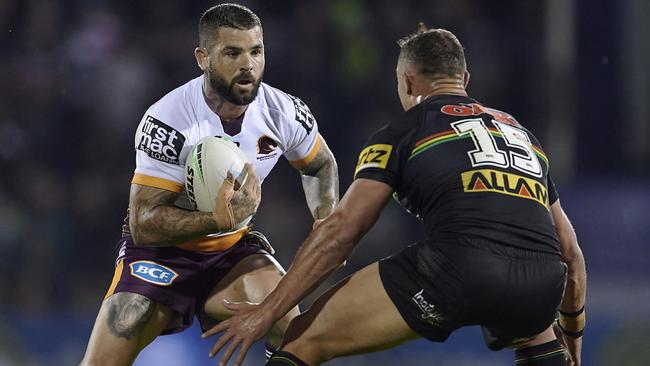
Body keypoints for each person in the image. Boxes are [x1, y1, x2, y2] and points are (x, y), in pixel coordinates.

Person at [203, 24, 587, 366]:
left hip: (460, 269)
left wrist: (268, 311)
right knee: (535, 330)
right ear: (464, 78)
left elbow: (343, 231)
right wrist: (572, 341)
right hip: (540, 284)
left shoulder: (406, 130)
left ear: (406, 81)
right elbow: (570, 253)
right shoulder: (522, 136)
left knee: (302, 340)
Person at [80, 4, 339, 365]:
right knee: (110, 347)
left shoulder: (284, 112)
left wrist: (327, 222)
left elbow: (320, 164)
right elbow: (143, 224)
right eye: (232, 52)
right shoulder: (169, 121)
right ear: (203, 57)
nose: (247, 64)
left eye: (256, 51)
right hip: (162, 252)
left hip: (232, 251)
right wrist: (215, 221)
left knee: (296, 333)